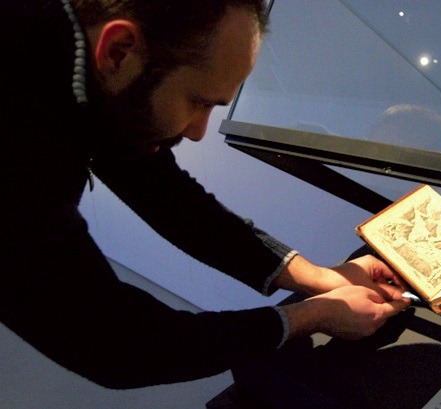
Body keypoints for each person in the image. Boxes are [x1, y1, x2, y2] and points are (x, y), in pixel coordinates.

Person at [0, 0, 411, 389]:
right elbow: (116, 341)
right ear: (120, 50)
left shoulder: (74, 58)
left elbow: (167, 196)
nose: (198, 132)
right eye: (198, 102)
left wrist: (317, 277)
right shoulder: (17, 137)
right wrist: (314, 315)